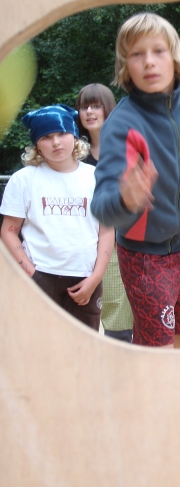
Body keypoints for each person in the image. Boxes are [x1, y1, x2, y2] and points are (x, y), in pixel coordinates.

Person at [90, 12, 180, 349]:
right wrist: (125, 199)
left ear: (175, 56)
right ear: (125, 66)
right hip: (143, 257)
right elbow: (101, 208)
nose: (149, 62)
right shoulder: (121, 124)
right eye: (137, 54)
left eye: (158, 51)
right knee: (157, 352)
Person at [0, 104, 114, 330]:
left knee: (82, 346)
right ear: (36, 144)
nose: (56, 143)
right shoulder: (23, 179)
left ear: (74, 136)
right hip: (39, 276)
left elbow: (107, 230)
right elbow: (9, 230)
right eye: (46, 137)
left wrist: (95, 278)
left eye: (62, 134)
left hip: (85, 278)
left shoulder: (97, 177)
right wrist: (31, 275)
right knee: (37, 344)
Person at [75, 83, 134, 343]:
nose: (89, 112)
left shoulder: (127, 148)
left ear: (108, 109)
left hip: (123, 242)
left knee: (118, 318)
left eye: (95, 106)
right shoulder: (71, 154)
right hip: (81, 242)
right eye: (83, 106)